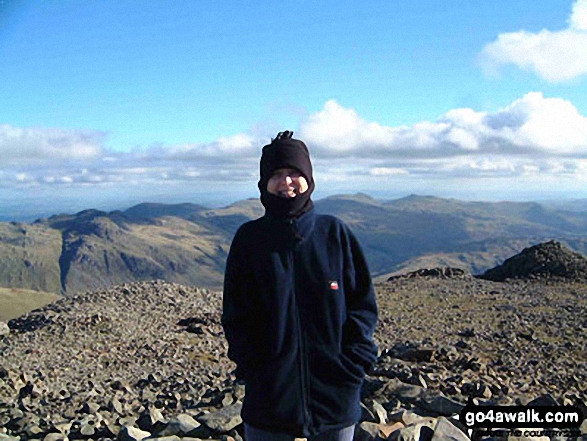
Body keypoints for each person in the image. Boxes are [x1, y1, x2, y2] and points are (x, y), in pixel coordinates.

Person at [222, 131, 378, 441]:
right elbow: (235, 314)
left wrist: (353, 365)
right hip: (269, 399)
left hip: (335, 397)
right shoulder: (249, 240)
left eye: (294, 173)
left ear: (309, 178)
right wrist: (254, 368)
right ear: (264, 183)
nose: (286, 182)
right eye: (277, 174)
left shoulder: (334, 234)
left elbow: (363, 304)